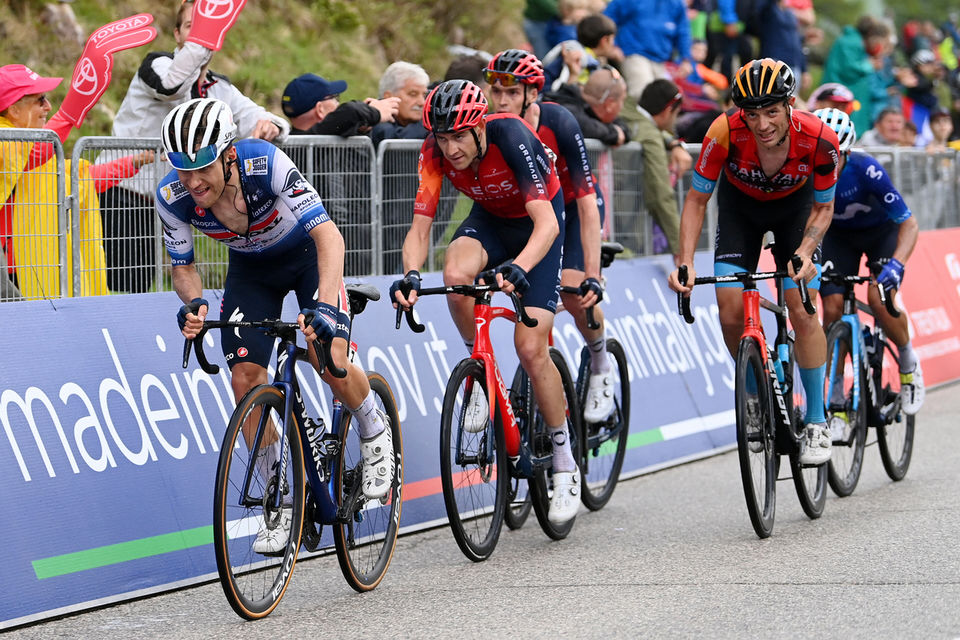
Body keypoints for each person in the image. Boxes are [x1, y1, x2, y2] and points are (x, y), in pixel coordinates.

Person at [157, 98, 394, 554]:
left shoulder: (265, 164)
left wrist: (325, 306)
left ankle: (373, 427)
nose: (193, 182)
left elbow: (328, 235)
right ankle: (280, 497)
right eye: (182, 170)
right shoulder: (173, 197)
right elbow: (182, 266)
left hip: (306, 257)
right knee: (246, 379)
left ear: (228, 155)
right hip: (252, 272)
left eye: (202, 168)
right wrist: (194, 303)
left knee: (332, 360)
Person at [389, 80, 581, 525]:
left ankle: (563, 459)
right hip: (491, 221)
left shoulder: (511, 136)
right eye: (443, 136)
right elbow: (421, 228)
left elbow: (548, 224)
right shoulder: (434, 152)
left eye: (460, 136)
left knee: (531, 348)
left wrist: (520, 268)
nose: (451, 148)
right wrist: (411, 275)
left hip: (540, 229)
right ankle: (481, 372)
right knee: (455, 275)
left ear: (479, 128)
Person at [667, 59, 841, 466]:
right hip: (740, 212)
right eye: (752, 114)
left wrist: (804, 252)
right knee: (729, 309)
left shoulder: (819, 138)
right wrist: (686, 261)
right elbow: (696, 200)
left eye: (771, 112)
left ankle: (816, 420)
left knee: (801, 305)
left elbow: (824, 207)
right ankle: (753, 394)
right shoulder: (724, 131)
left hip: (796, 213)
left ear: (790, 104)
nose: (762, 125)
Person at [102, 0, 289, 294]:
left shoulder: (218, 87)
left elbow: (252, 113)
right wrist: (204, 37)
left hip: (170, 194)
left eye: (207, 30)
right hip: (126, 189)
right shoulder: (157, 64)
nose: (198, 38)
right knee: (114, 280)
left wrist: (270, 124)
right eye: (192, 27)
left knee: (141, 282)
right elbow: (172, 86)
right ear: (177, 34)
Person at [485, 49, 614, 423]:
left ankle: (600, 361)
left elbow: (588, 202)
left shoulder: (559, 122)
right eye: (496, 91)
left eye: (511, 92)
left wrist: (593, 272)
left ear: (533, 94)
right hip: (531, 217)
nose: (502, 100)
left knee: (576, 293)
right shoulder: (493, 129)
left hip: (573, 210)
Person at [813, 107, 924, 419]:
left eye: (834, 156)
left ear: (846, 151)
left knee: (879, 297)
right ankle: (835, 400)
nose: (826, 164)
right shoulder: (805, 171)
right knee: (832, 307)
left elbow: (909, 224)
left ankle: (908, 363)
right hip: (837, 237)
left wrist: (897, 265)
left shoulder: (867, 169)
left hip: (880, 234)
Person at [632, 78, 691, 262]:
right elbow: (661, 193)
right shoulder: (651, 137)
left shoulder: (627, 109)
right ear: (667, 111)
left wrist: (673, 143)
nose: (676, 120)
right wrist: (680, 248)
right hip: (628, 232)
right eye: (677, 113)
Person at [604, 0, 693, 103]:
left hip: (661, 59)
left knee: (667, 99)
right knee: (643, 94)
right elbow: (607, 19)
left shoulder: (677, 4)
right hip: (634, 53)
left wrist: (686, 59)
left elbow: (683, 31)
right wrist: (612, 47)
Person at [282, 73, 399, 136]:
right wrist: (374, 112)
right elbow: (350, 112)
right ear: (320, 109)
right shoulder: (312, 140)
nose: (338, 103)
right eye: (334, 98)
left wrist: (361, 127)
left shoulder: (291, 145)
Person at [545, 66, 632, 147]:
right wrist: (613, 133)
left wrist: (615, 132)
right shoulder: (567, 107)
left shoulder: (595, 112)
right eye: (622, 100)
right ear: (610, 104)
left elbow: (625, 130)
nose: (622, 106)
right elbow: (580, 125)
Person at [369, 61, 430, 148]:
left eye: (424, 95)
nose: (422, 102)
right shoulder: (376, 120)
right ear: (388, 97)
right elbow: (395, 139)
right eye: (413, 94)